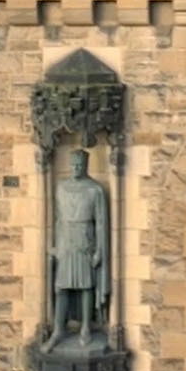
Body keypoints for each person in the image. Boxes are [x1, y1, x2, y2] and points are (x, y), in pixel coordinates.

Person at [46, 149, 110, 348]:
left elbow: (100, 222)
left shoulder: (95, 189)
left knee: (86, 285)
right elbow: (56, 219)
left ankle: (86, 328)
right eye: (73, 165)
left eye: (80, 166)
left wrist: (100, 249)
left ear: (86, 166)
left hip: (85, 241)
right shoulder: (61, 187)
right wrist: (55, 245)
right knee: (61, 287)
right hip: (66, 241)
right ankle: (58, 329)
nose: (76, 169)